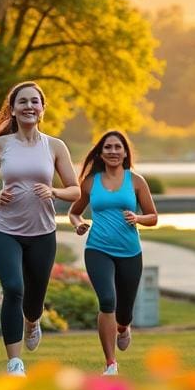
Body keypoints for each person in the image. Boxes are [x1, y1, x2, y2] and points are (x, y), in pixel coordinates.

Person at [0, 81, 79, 376]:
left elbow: (75, 190)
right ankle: (15, 362)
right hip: (4, 229)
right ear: (13, 109)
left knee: (33, 300)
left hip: (43, 233)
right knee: (13, 288)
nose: (29, 106)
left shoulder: (55, 146)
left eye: (35, 102)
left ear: (42, 109)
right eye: (23, 102)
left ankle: (33, 321)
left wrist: (54, 192)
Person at [68, 130, 158, 375]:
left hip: (130, 252)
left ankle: (123, 327)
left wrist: (138, 217)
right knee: (108, 300)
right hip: (97, 249)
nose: (113, 152)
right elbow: (74, 211)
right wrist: (79, 224)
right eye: (108, 147)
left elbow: (153, 217)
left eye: (118, 147)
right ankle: (111, 363)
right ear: (100, 152)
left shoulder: (136, 181)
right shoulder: (90, 182)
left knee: (124, 310)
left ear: (126, 152)